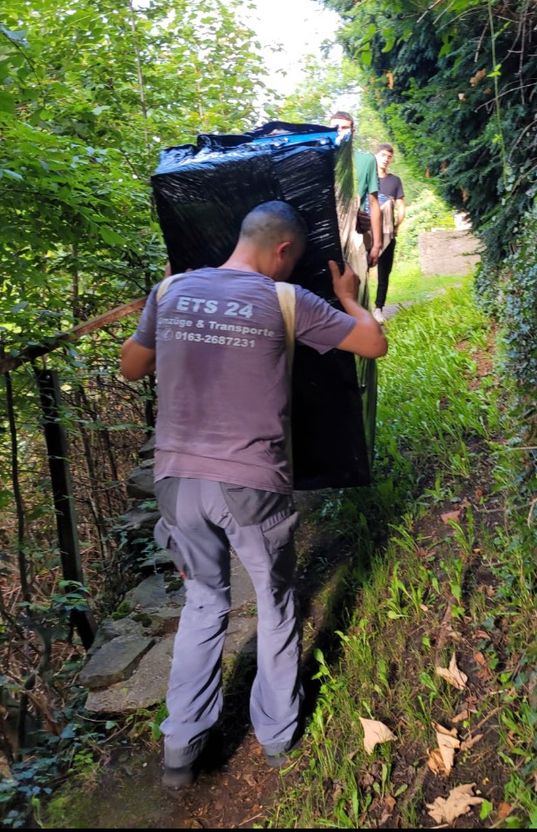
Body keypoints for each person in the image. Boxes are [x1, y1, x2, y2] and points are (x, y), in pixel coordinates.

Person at [119, 201, 387, 790]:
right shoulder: (288, 300)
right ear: (284, 249)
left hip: (175, 483)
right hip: (250, 483)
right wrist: (347, 294)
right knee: (275, 603)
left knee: (204, 605)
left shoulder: (169, 292)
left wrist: (167, 313)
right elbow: (373, 345)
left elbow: (130, 368)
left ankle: (181, 751)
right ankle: (276, 738)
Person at [329, 111, 382, 267]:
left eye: (344, 127)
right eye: (335, 128)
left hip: (356, 236)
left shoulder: (367, 161)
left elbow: (374, 203)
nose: (340, 131)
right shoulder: (321, 159)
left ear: (353, 131)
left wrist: (377, 244)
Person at [373, 143, 406, 324]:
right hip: (367, 232)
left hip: (388, 233)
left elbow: (401, 207)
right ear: (376, 156)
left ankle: (378, 308)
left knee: (384, 272)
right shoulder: (368, 178)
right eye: (383, 155)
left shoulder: (395, 181)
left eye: (389, 157)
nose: (386, 159)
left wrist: (396, 225)